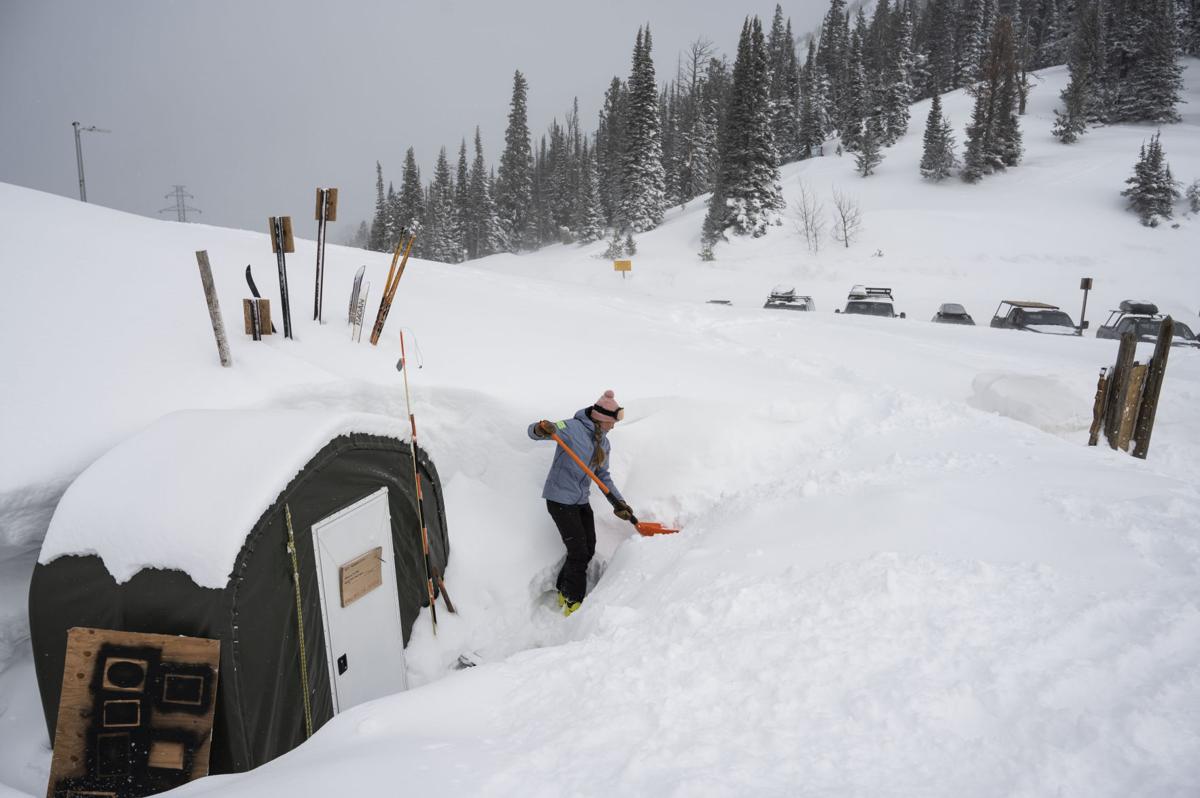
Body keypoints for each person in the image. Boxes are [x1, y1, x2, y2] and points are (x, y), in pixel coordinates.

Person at [528, 390, 633, 616]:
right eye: (611, 423)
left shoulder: (603, 444)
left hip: (579, 500)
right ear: (601, 419)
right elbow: (536, 432)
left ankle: (563, 588)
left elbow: (603, 476)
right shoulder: (571, 428)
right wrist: (541, 428)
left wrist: (618, 502)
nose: (613, 427)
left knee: (589, 547)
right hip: (559, 499)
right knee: (578, 551)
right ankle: (573, 601)